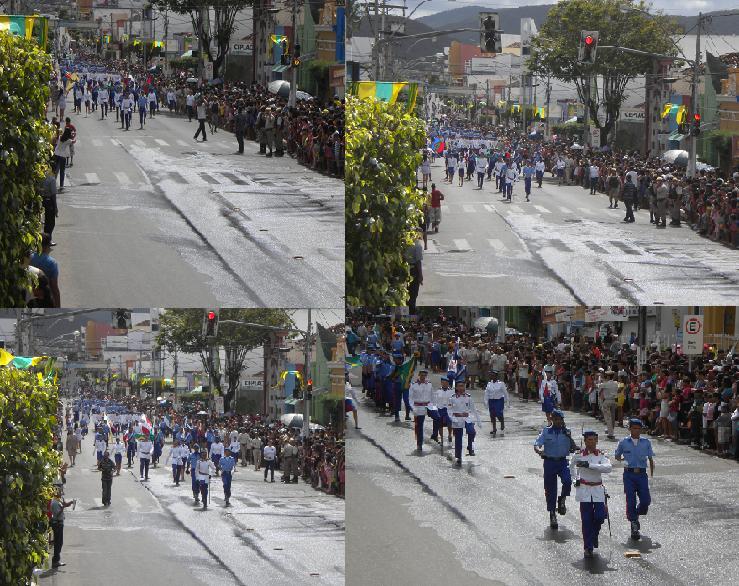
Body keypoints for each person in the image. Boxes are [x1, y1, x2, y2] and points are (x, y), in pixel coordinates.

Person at [570, 430, 612, 558]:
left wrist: (590, 465)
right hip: (584, 488)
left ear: (597, 441)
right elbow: (571, 467)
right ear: (585, 441)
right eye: (589, 440)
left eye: (594, 439)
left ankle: (594, 535)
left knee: (600, 516)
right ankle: (588, 546)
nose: (591, 442)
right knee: (586, 519)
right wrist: (574, 479)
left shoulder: (601, 454)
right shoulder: (578, 455)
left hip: (598, 488)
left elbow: (608, 468)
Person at [533, 409, 578, 529]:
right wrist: (538, 450)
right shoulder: (546, 431)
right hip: (549, 462)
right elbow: (537, 444)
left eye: (561, 419)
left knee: (568, 481)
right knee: (550, 490)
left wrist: (572, 441)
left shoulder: (566, 432)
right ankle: (552, 513)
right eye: (556, 419)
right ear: (552, 419)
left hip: (563, 462)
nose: (559, 421)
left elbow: (574, 448)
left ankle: (562, 499)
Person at [614, 418, 654, 540]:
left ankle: (636, 513)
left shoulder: (646, 442)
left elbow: (651, 459)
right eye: (634, 428)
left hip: (642, 474)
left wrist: (651, 475)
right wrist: (624, 461)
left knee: (646, 500)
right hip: (629, 474)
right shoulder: (623, 442)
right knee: (630, 499)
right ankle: (634, 523)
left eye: (638, 428)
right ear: (629, 428)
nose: (636, 431)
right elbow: (617, 456)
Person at [447, 379, 480, 467]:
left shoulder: (468, 397)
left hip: (466, 417)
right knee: (458, 439)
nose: (462, 388)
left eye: (463, 386)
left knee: (472, 431)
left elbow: (473, 409)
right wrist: (452, 419)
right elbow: (449, 410)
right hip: (457, 418)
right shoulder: (452, 398)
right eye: (460, 386)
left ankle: (470, 447)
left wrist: (478, 420)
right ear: (457, 388)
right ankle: (458, 456)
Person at [49, 486, 75, 568]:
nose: (62, 494)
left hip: (59, 523)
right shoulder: (55, 503)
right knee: (58, 543)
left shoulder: (58, 500)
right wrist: (63, 507)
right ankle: (55, 561)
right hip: (57, 524)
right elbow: (57, 514)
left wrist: (70, 503)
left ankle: (57, 560)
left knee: (59, 542)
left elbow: (64, 504)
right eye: (60, 492)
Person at [409, 369, 434, 451]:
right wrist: (413, 408)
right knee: (419, 425)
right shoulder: (414, 385)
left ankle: (435, 435)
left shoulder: (429, 385)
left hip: (428, 407)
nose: (423, 377)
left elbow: (432, 397)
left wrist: (432, 406)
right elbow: (410, 399)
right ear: (419, 375)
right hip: (418, 408)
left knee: (439, 418)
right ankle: (419, 444)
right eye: (421, 375)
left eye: (424, 375)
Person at [484, 370, 509, 437]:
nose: (492, 376)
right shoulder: (489, 384)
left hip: (499, 400)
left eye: (493, 375)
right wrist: (485, 402)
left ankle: (502, 422)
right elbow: (486, 394)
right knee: (492, 415)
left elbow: (505, 393)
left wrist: (507, 402)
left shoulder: (501, 383)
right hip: (491, 401)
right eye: (491, 375)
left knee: (498, 413)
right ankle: (494, 428)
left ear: (496, 376)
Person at [599, 369, 619, 440]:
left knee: (608, 418)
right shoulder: (616, 383)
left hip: (607, 401)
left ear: (607, 377)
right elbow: (617, 391)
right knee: (613, 417)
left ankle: (611, 433)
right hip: (614, 401)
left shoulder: (605, 384)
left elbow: (599, 388)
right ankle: (610, 430)